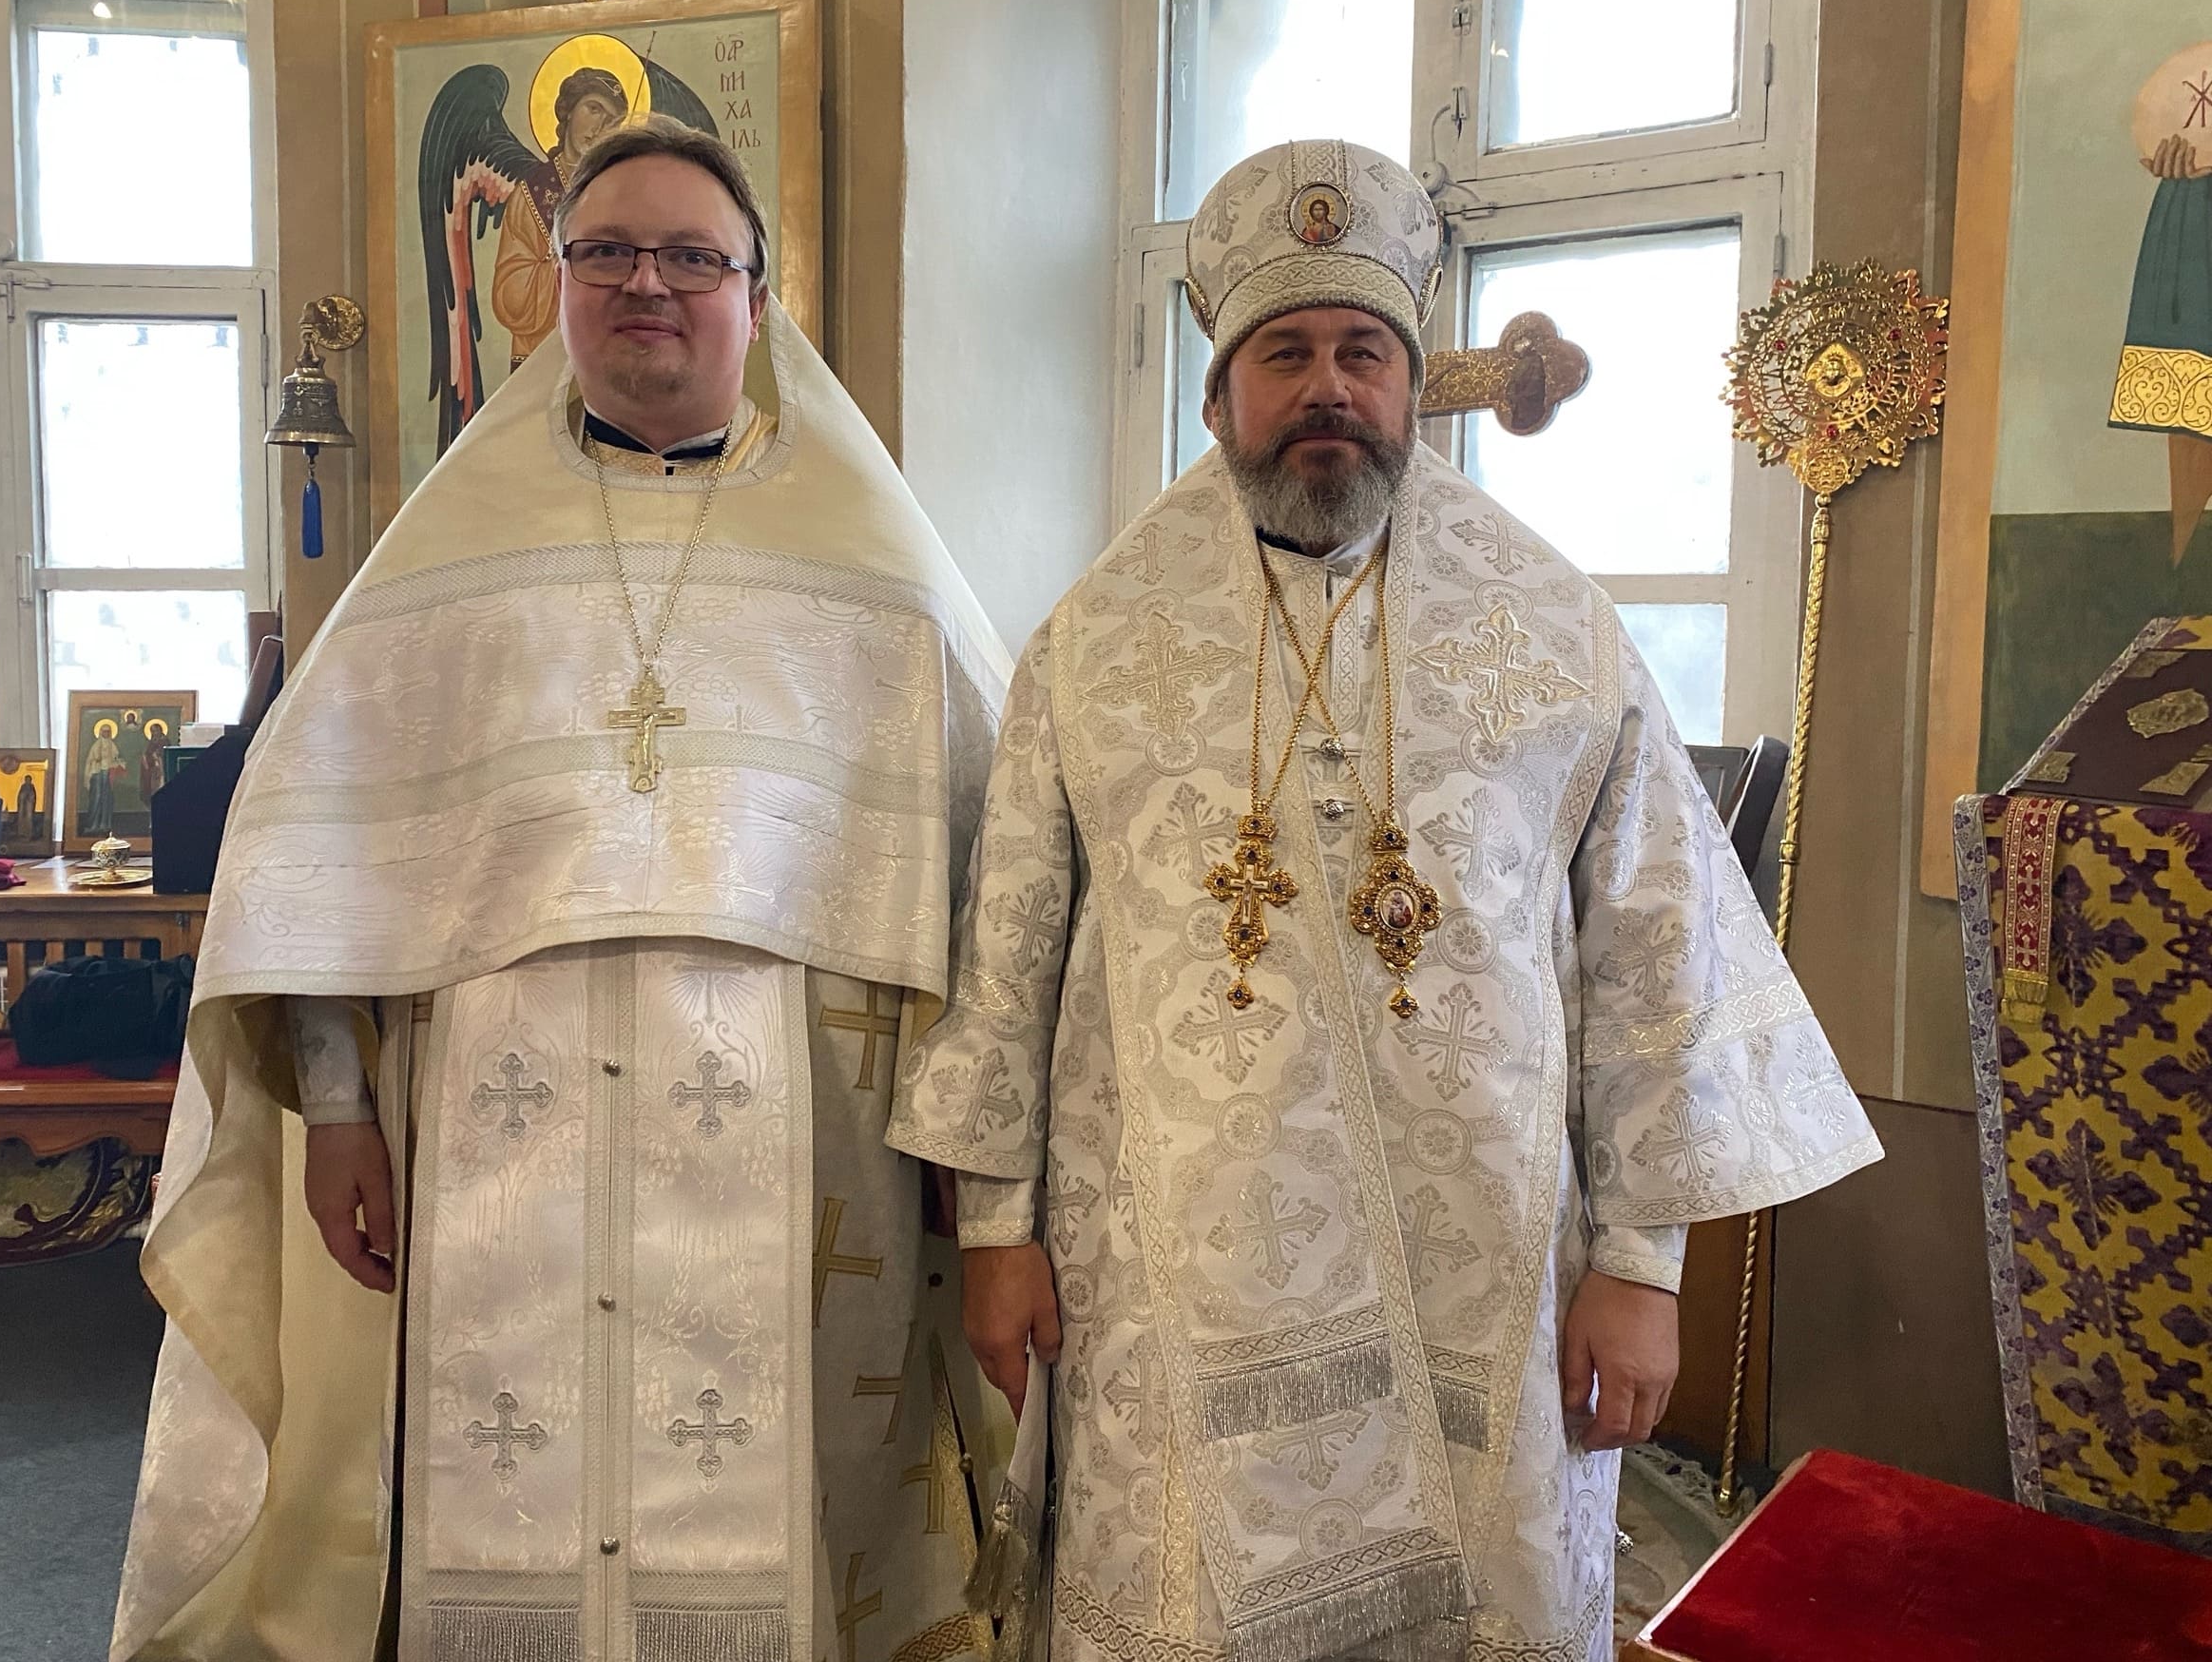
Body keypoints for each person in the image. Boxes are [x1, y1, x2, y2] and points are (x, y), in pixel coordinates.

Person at [889, 139, 1882, 1662]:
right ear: (1218, 397)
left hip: (1485, 1268)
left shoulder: (1554, 631)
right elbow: (1011, 950)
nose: (1328, 389)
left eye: (1364, 352)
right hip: (1167, 1275)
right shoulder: (1094, 644)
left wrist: (1641, 1268)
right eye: (1283, 354)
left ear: (1416, 386)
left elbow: (1654, 954)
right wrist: (1002, 1233)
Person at [113, 117, 1011, 1661]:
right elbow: (320, 849)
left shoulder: (879, 577)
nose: (647, 285)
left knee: (792, 1530)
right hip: (491, 1127)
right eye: (607, 252)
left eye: (690, 258)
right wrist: (337, 1106)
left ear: (756, 299)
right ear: (559, 288)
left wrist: (971, 1157)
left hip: (807, 1147)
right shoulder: (442, 567)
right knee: (499, 1496)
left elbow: (996, 878)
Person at [493, 67, 632, 370]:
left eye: (612, 121)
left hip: (604, 360)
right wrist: (571, 267)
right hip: (537, 363)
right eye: (594, 109)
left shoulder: (619, 195)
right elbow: (508, 296)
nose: (600, 126)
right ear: (568, 110)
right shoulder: (530, 194)